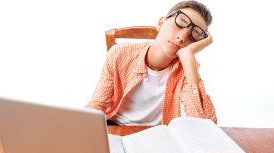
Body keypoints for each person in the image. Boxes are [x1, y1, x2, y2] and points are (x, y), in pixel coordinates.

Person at [86, 0, 217, 126]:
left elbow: (202, 126)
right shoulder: (119, 53)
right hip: (116, 126)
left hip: (158, 134)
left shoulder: (187, 67)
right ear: (161, 23)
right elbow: (97, 105)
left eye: (194, 34)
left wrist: (188, 56)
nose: (182, 37)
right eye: (180, 22)